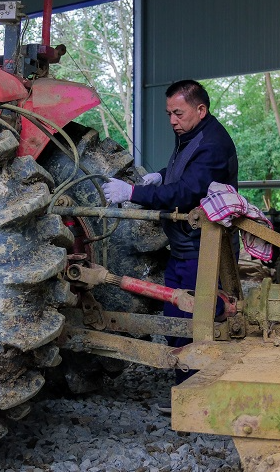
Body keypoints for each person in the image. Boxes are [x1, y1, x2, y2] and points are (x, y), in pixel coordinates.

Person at [102, 80, 238, 409]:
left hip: (201, 247)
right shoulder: (190, 135)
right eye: (168, 114)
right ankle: (188, 388)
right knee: (175, 312)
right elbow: (183, 174)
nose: (172, 120)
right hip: (184, 244)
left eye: (178, 113)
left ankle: (195, 397)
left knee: (193, 318)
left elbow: (188, 192)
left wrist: (133, 193)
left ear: (201, 110)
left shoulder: (213, 143)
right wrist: (162, 175)